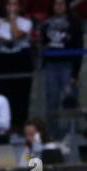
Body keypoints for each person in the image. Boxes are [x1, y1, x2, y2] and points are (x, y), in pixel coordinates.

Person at [0, 0, 34, 128]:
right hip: (4, 60)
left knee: (21, 95)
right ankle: (6, 126)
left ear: (19, 7)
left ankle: (20, 125)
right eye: (9, 4)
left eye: (14, 4)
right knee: (4, 93)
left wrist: (12, 20)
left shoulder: (25, 22)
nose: (11, 7)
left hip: (21, 60)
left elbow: (17, 35)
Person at [42, 0, 84, 137]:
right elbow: (43, 45)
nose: (58, 6)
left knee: (70, 101)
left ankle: (72, 134)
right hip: (51, 67)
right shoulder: (46, 24)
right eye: (55, 3)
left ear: (66, 6)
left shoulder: (74, 23)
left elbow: (79, 47)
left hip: (68, 66)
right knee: (52, 101)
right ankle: (53, 135)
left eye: (61, 3)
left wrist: (75, 74)